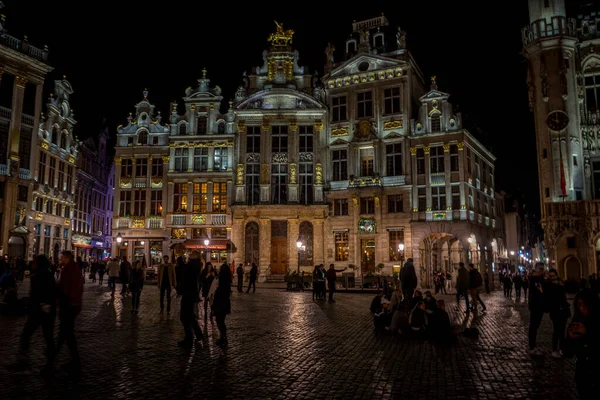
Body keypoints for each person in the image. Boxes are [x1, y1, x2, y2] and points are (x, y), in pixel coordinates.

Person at [10, 255, 56, 377]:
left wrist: (37, 304)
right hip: (46, 310)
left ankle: (24, 360)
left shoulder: (38, 276)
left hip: (40, 310)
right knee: (47, 336)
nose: (32, 264)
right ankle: (49, 363)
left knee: (28, 334)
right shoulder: (48, 275)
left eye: (35, 262)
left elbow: (38, 294)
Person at [565, 289, 600, 399]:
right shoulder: (577, 322)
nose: (582, 308)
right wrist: (570, 338)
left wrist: (587, 334)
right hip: (583, 376)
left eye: (585, 304)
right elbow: (568, 353)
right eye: (579, 304)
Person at [55, 251, 84, 379]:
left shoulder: (68, 270)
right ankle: (74, 360)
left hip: (69, 305)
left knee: (65, 334)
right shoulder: (74, 268)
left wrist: (61, 299)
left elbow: (65, 288)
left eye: (62, 258)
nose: (60, 259)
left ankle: (52, 360)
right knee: (66, 334)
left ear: (67, 258)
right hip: (73, 304)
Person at [179, 251, 203, 348]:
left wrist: (181, 257)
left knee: (185, 317)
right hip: (189, 293)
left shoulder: (193, 265)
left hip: (189, 293)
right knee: (190, 316)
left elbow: (184, 271)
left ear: (195, 256)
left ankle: (189, 338)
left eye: (192, 254)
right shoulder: (193, 264)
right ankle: (198, 335)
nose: (190, 254)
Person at [545, 268, 570, 358]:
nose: (552, 277)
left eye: (553, 276)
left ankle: (562, 349)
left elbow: (564, 296)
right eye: (550, 276)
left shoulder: (561, 284)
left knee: (562, 331)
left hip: (563, 310)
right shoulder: (548, 285)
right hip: (555, 311)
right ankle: (554, 350)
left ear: (556, 275)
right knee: (556, 331)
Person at [528, 262, 546, 355]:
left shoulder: (541, 278)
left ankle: (534, 345)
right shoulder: (534, 279)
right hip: (535, 306)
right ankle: (532, 347)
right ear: (536, 268)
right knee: (533, 326)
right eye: (540, 268)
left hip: (540, 306)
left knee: (536, 326)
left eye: (543, 268)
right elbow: (539, 291)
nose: (542, 270)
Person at [213, 262, 232, 348]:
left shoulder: (221, 280)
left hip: (220, 303)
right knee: (221, 321)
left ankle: (223, 338)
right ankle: (223, 337)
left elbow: (219, 292)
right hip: (224, 303)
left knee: (219, 321)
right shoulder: (227, 280)